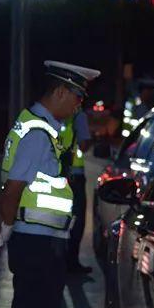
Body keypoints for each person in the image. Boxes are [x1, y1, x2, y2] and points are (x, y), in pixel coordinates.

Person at [0, 60, 100, 308]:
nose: (79, 105)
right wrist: (6, 228)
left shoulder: (38, 127)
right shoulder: (37, 132)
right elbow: (14, 188)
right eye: (78, 97)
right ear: (61, 91)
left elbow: (12, 185)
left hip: (39, 239)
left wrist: (4, 220)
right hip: (37, 243)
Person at [59, 109, 93, 274]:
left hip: (55, 173)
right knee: (77, 220)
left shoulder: (54, 112)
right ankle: (71, 262)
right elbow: (84, 145)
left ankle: (58, 260)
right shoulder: (79, 116)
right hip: (75, 176)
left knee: (57, 219)